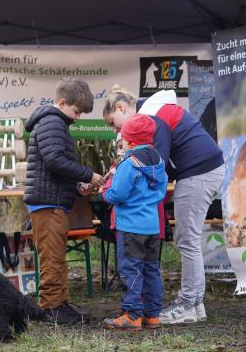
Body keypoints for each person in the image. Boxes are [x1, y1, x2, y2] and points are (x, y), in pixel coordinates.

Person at [103, 86, 225, 325]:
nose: (116, 130)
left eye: (113, 123)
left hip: (198, 172)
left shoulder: (152, 116)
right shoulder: (156, 113)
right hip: (203, 170)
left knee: (187, 239)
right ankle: (196, 303)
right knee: (187, 239)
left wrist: (119, 176)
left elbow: (153, 164)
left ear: (121, 108)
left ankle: (188, 303)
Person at [24, 78, 104, 324]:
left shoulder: (55, 123)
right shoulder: (52, 123)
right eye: (77, 111)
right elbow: (55, 161)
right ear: (61, 102)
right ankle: (49, 308)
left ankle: (60, 303)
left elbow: (55, 168)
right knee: (51, 259)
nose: (78, 117)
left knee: (57, 258)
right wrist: (87, 174)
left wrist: (78, 187)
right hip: (48, 204)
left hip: (53, 201)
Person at [101, 114, 167, 331]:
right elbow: (161, 191)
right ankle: (152, 314)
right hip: (151, 225)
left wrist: (105, 191)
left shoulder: (129, 163)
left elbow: (117, 194)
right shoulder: (158, 161)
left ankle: (132, 315)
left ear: (129, 140)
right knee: (150, 269)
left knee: (131, 270)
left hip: (130, 227)